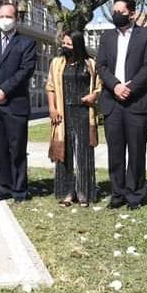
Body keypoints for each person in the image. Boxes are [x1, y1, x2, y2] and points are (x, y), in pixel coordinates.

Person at [96, 0, 147, 210]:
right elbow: (101, 66)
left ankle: (135, 195)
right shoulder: (106, 37)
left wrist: (129, 88)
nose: (116, 16)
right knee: (115, 151)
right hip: (112, 102)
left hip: (137, 102)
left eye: (120, 12)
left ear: (132, 13)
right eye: (114, 12)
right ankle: (117, 194)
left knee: (136, 151)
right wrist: (115, 86)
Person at [0, 3, 37, 203]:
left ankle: (20, 189)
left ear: (16, 19)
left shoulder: (27, 43)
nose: (5, 19)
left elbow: (25, 70)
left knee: (17, 148)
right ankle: (4, 186)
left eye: (8, 16)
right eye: (1, 16)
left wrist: (4, 90)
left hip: (15, 104)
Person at [46, 30, 101, 207]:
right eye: (64, 43)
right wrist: (52, 108)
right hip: (63, 114)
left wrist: (94, 96)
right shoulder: (56, 63)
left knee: (84, 154)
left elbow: (99, 87)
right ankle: (67, 193)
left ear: (78, 45)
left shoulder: (90, 64)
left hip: (84, 113)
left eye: (69, 44)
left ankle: (84, 193)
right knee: (64, 154)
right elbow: (50, 87)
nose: (65, 47)